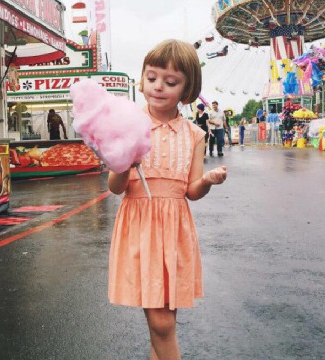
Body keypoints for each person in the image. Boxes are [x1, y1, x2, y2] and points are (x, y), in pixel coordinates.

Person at [108, 39, 227, 360]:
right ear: (142, 79)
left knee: (163, 323)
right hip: (140, 228)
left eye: (170, 82)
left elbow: (191, 191)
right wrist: (124, 164)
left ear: (187, 90)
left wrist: (208, 181)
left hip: (174, 232)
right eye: (152, 78)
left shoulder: (195, 135)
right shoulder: (129, 124)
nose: (158, 87)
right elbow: (115, 187)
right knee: (161, 324)